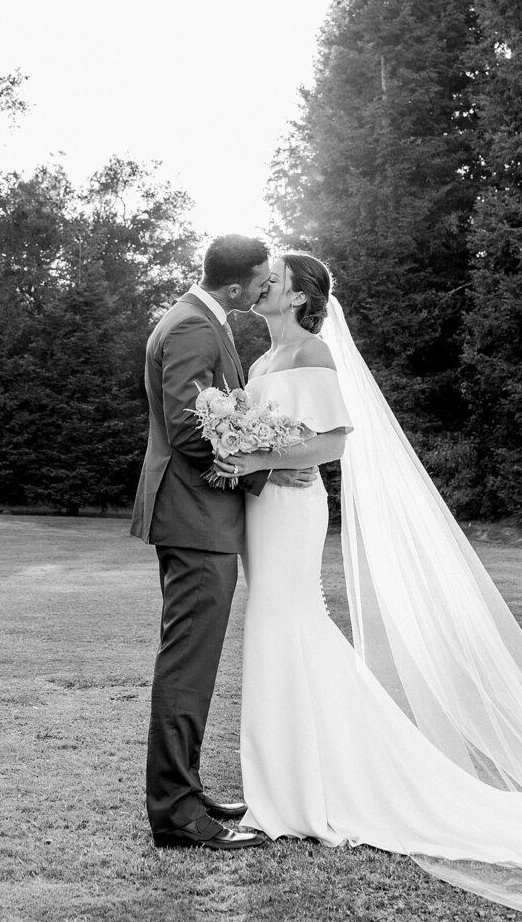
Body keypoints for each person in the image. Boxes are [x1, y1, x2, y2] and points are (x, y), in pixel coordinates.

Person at [215, 252, 522, 921]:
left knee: (288, 626)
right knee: (279, 632)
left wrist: (259, 456)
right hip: (259, 510)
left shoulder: (312, 354)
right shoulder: (259, 365)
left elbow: (332, 443)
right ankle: (290, 779)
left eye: (275, 277)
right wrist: (235, 452)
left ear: (301, 295)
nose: (263, 283)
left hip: (292, 508)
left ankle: (296, 792)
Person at [130, 234, 317, 852]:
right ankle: (177, 813)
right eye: (262, 278)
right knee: (188, 664)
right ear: (235, 287)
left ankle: (186, 791)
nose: (267, 285)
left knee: (193, 663)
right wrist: (262, 467)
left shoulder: (199, 319)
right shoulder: (192, 328)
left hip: (199, 517)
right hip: (195, 518)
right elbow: (189, 428)